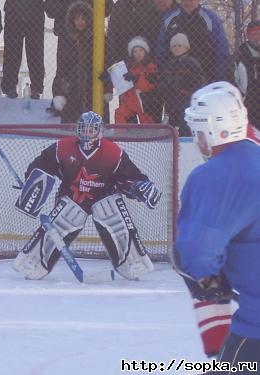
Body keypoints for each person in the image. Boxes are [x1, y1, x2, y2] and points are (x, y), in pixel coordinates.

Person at [13, 111, 161, 281]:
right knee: (64, 218)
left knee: (112, 214)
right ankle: (36, 263)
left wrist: (140, 187)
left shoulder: (113, 152)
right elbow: (43, 163)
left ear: (100, 131)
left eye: (92, 130)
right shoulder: (63, 147)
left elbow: (129, 176)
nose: (87, 133)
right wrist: (32, 180)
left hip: (103, 196)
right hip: (72, 197)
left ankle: (131, 263)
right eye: (84, 129)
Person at [174, 82, 260, 371]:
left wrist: (210, 283)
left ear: (212, 130)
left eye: (197, 131)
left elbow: (195, 254)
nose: (195, 139)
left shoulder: (214, 175)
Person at [155, 0, 231, 83]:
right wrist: (163, 75)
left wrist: (219, 79)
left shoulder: (211, 18)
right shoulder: (169, 18)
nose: (188, 3)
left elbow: (221, 49)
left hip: (205, 76)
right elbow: (161, 50)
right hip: (176, 79)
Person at [158, 33, 205, 135]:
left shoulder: (192, 63)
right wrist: (165, 90)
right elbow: (162, 81)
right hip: (172, 101)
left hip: (187, 101)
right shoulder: (169, 64)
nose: (177, 49)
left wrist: (188, 92)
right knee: (172, 123)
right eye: (174, 46)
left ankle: (186, 138)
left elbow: (199, 82)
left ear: (186, 47)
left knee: (185, 123)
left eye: (180, 46)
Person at [0, 0, 44, 99]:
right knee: (12, 53)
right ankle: (9, 87)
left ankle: (36, 88)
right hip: (13, 12)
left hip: (35, 13)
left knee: (35, 53)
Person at [114, 36, 158, 124]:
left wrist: (136, 78)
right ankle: (122, 135)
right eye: (135, 51)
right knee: (120, 113)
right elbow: (122, 83)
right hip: (132, 100)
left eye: (141, 50)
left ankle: (148, 137)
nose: (138, 53)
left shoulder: (151, 66)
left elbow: (150, 85)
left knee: (146, 122)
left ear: (145, 51)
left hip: (145, 101)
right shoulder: (130, 67)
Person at [235, 20, 260, 130]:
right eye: (254, 34)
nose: (257, 37)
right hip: (248, 100)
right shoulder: (240, 54)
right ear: (248, 35)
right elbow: (234, 79)